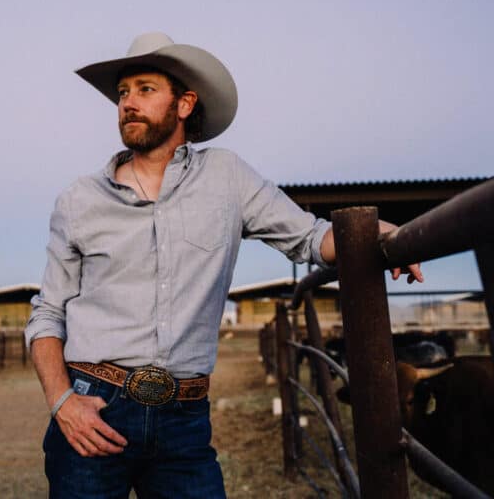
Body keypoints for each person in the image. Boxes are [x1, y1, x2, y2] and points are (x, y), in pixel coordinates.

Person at [24, 32, 422, 498]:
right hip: (96, 406)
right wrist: (62, 401)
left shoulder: (227, 177)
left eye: (145, 90)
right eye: (123, 93)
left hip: (184, 420)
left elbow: (311, 238)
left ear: (185, 103)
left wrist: (380, 234)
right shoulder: (78, 201)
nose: (128, 103)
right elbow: (48, 314)